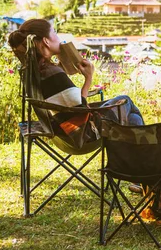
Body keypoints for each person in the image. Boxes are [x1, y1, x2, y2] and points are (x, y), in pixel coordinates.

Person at [8, 18, 146, 192]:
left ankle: (141, 177)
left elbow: (63, 99)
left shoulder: (33, 70)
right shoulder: (53, 73)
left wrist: (63, 62)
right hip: (83, 135)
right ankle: (143, 174)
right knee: (126, 101)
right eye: (55, 34)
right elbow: (80, 111)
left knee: (132, 118)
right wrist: (88, 77)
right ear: (46, 41)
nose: (59, 38)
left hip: (59, 132)